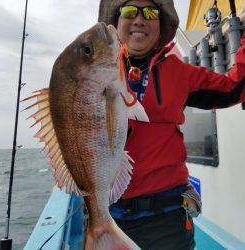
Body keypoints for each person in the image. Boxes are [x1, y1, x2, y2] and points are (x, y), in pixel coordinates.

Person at [98, 0, 245, 249]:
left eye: (150, 13)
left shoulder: (179, 72)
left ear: (160, 24)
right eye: (130, 11)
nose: (140, 20)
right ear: (116, 21)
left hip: (165, 220)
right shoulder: (95, 71)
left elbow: (233, 89)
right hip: (105, 214)